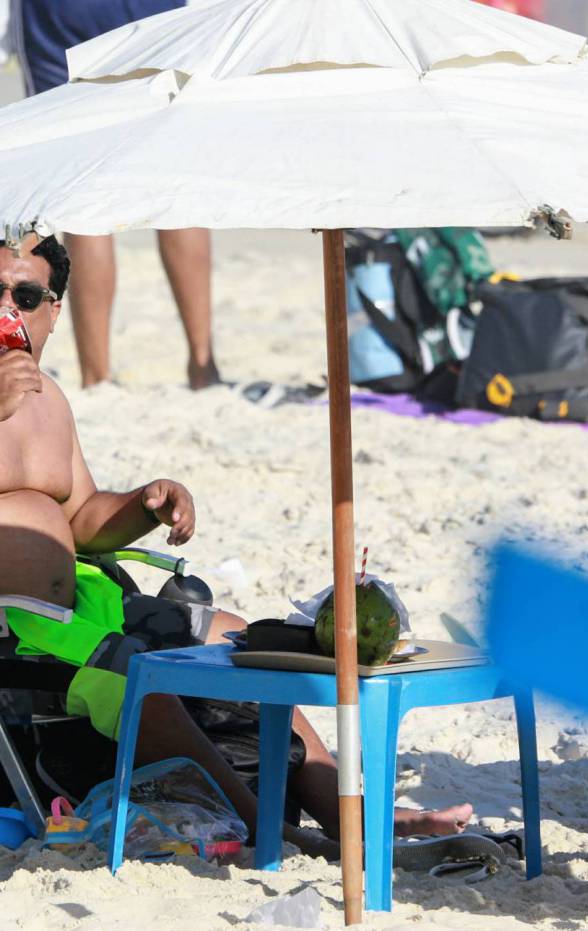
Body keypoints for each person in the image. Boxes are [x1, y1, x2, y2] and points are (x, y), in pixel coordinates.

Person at [0, 231, 474, 856]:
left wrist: (143, 504)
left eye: (25, 295)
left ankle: (349, 814)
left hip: (83, 603)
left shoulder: (48, 397)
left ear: (55, 308)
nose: (7, 310)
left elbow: (83, 516)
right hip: (16, 626)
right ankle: (268, 829)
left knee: (238, 637)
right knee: (138, 677)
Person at [10, 0, 220, 389]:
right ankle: (203, 366)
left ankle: (97, 375)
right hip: (156, 12)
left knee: (84, 192)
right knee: (177, 183)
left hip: (67, 13)